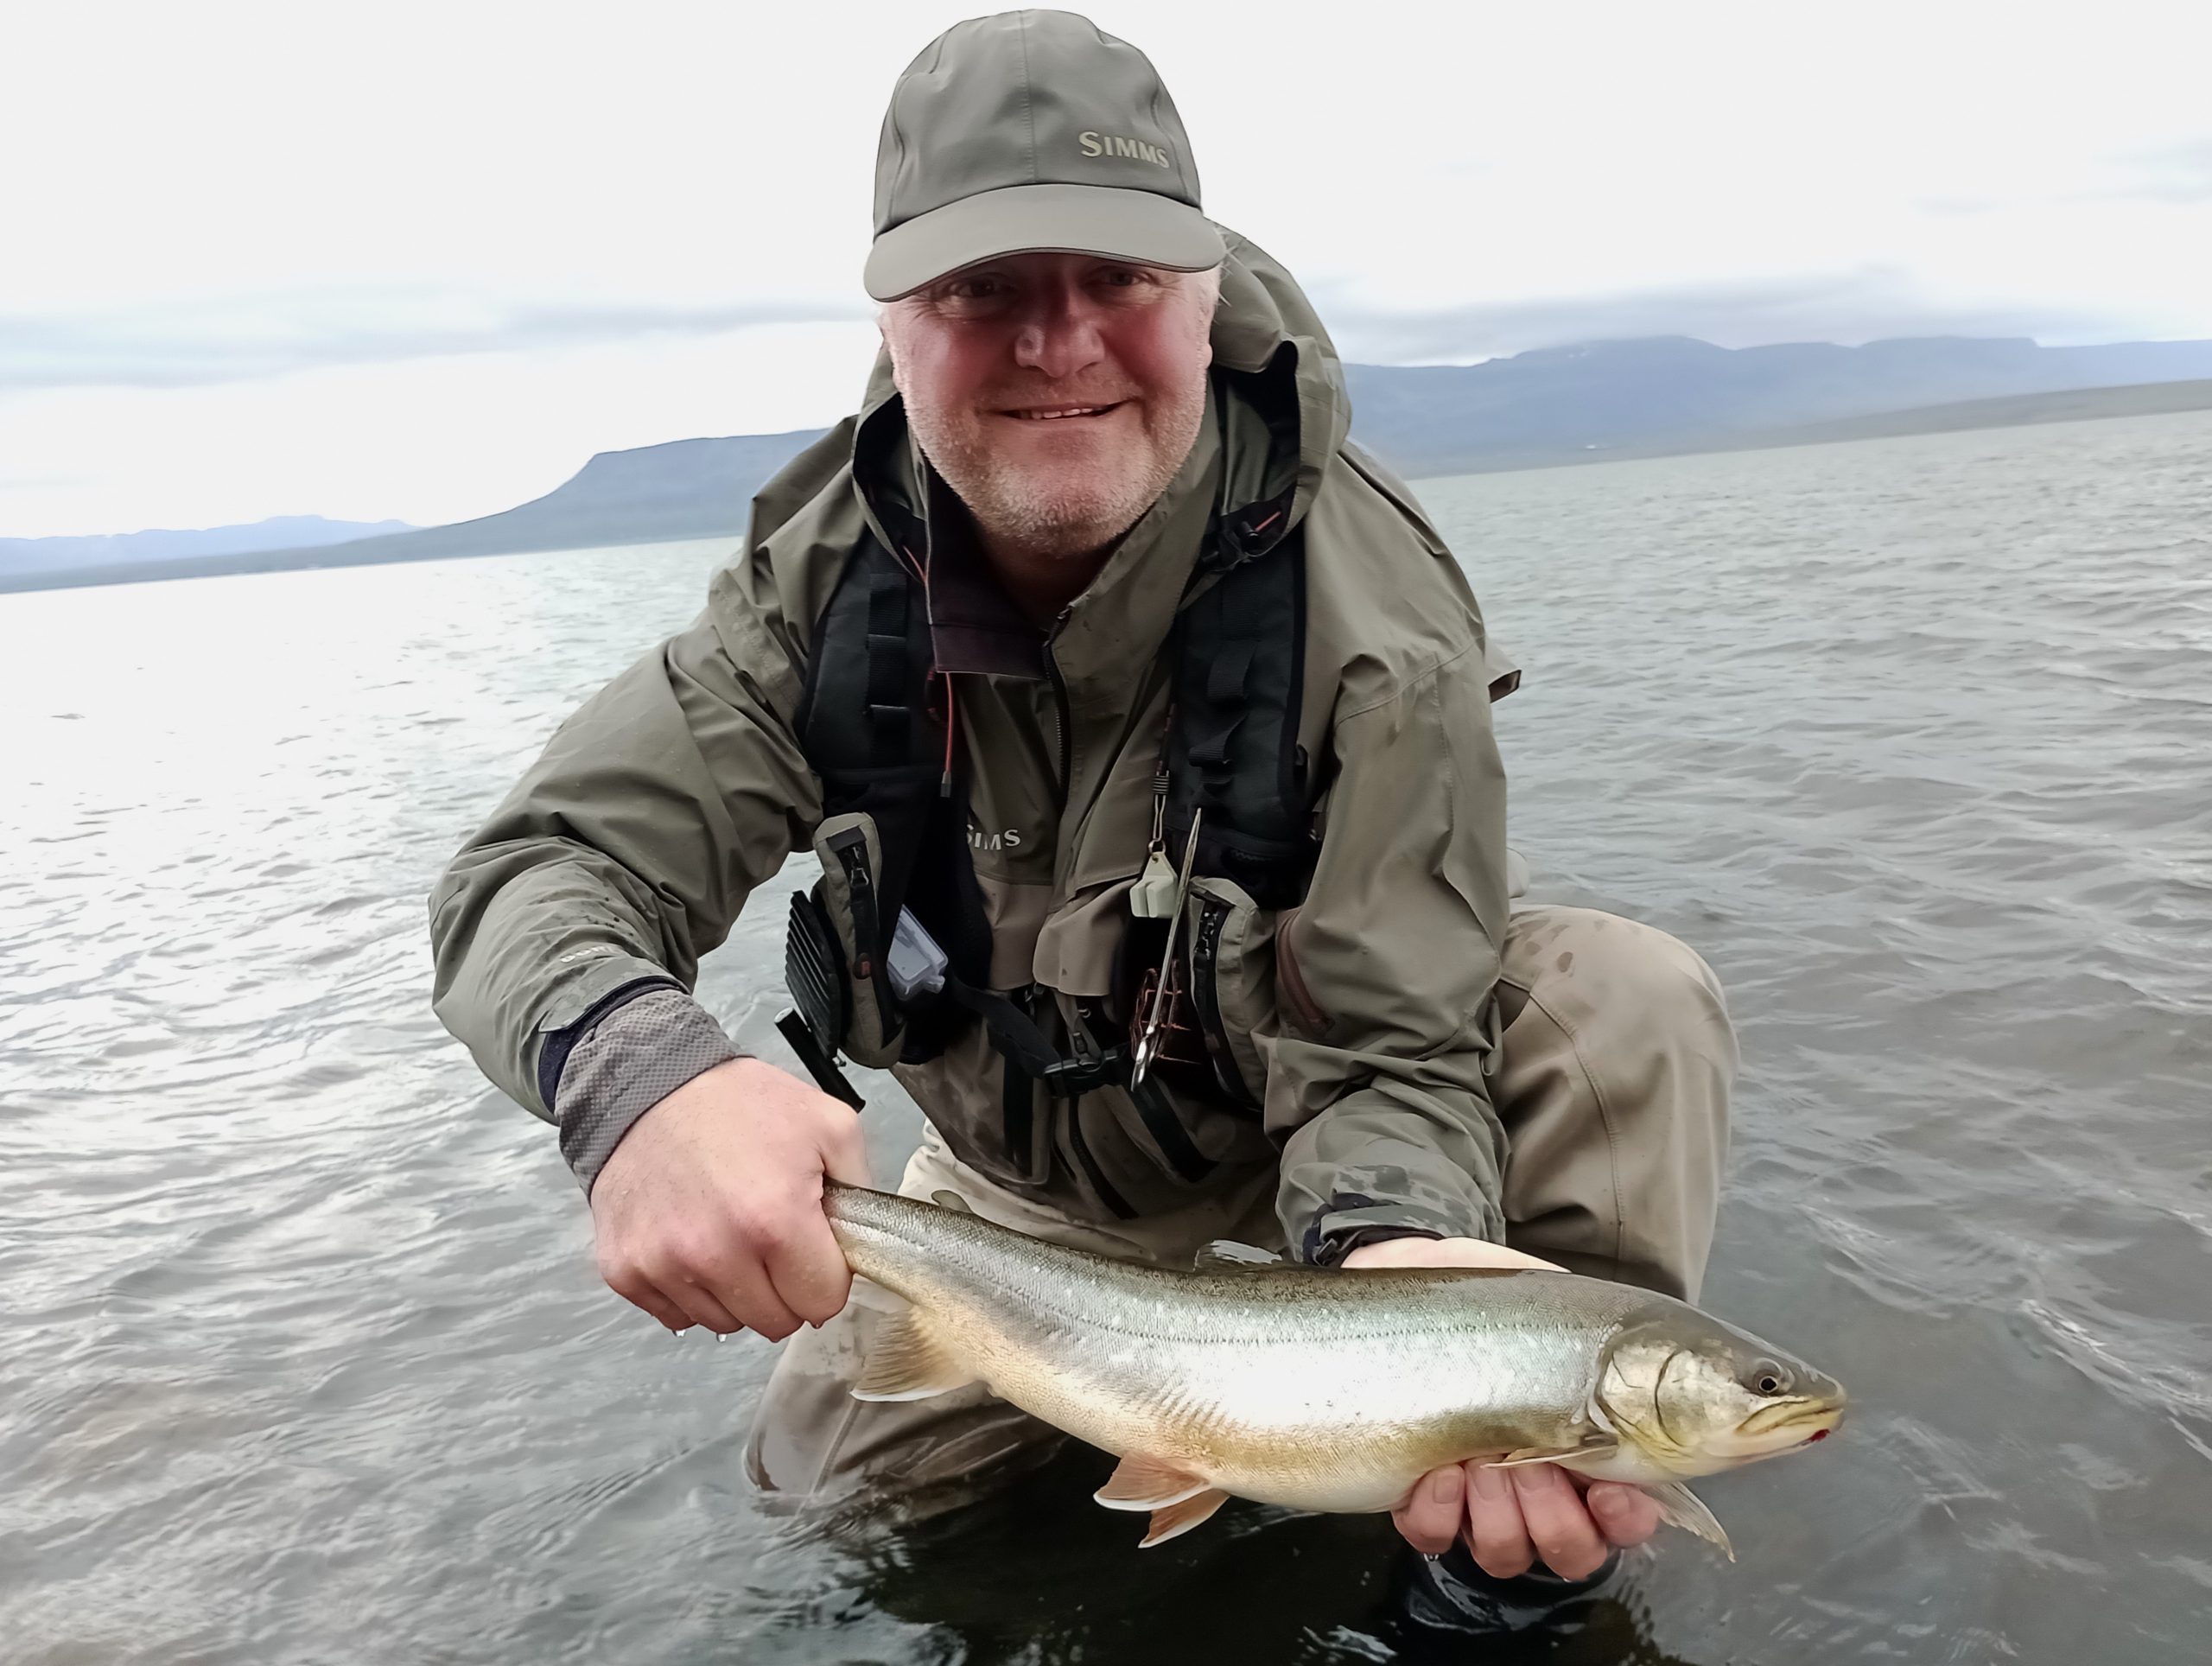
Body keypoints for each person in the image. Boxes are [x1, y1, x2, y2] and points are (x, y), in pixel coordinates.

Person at [429, 7, 1736, 1631]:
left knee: (1619, 1002)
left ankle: (1524, 1548)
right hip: (1009, 1200)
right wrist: (638, 1079)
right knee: (829, 1526)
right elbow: (539, 868)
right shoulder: (817, 591)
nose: (1059, 344)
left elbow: (1395, 1048)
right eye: (985, 290)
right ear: (896, 319)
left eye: (1116, 280)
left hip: (1295, 1148)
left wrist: (1398, 1272)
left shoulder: (1378, 622)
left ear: (1197, 294)